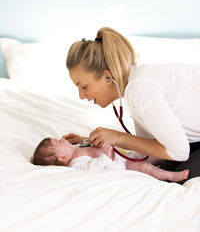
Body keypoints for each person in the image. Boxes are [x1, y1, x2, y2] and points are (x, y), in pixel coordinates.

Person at [64, 27, 200, 184]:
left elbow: (178, 152)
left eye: (83, 86)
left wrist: (118, 137)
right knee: (164, 169)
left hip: (186, 145)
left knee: (179, 179)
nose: (81, 96)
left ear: (107, 77)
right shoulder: (133, 90)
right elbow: (149, 151)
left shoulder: (139, 89)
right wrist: (94, 143)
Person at [32, 137, 189, 182]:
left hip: (123, 155)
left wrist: (93, 143)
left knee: (151, 156)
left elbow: (90, 147)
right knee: (145, 167)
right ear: (62, 157)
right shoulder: (76, 163)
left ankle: (175, 156)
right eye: (60, 142)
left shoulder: (76, 149)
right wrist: (105, 155)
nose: (63, 139)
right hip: (121, 165)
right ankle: (171, 176)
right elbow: (92, 168)